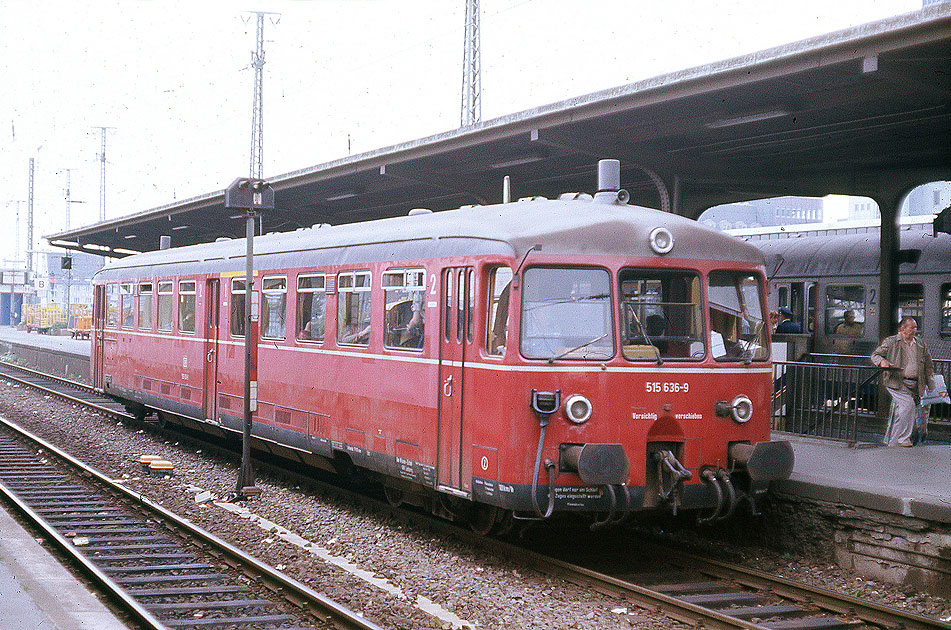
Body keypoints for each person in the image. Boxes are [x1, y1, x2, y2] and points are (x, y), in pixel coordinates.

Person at [870, 317, 936, 447]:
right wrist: (882, 361)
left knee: (903, 412)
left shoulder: (921, 344)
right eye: (912, 327)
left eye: (916, 327)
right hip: (896, 382)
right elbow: (875, 355)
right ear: (902, 328)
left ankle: (893, 443)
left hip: (916, 383)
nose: (914, 330)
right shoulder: (892, 341)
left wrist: (931, 384)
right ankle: (903, 439)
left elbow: (929, 365)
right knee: (908, 406)